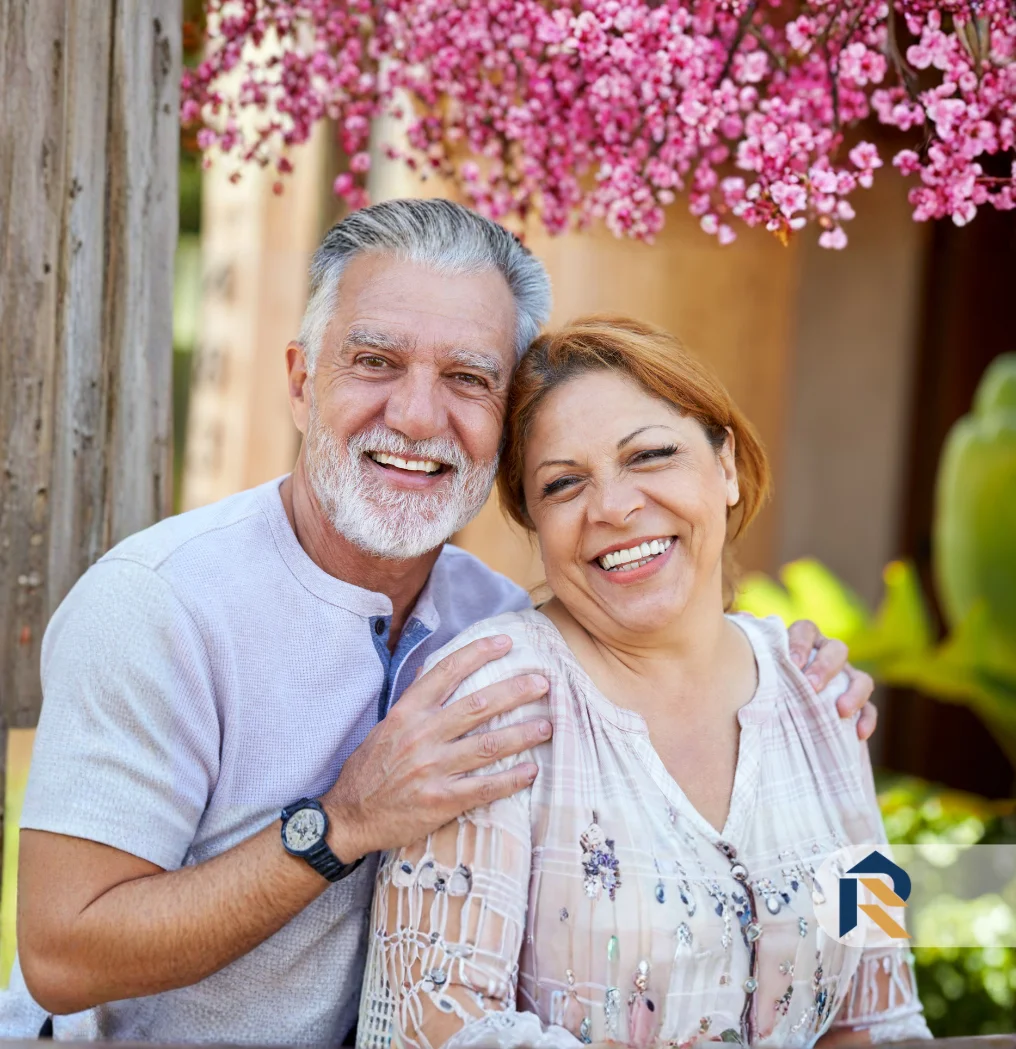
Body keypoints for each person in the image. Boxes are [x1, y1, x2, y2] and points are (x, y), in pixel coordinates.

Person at [10, 201, 873, 1046]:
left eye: (468, 377)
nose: (419, 415)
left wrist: (794, 682)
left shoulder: (495, 622)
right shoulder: (160, 605)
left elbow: (875, 967)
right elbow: (60, 954)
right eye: (376, 360)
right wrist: (342, 820)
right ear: (303, 381)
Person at [358, 317, 930, 1049]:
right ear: (532, 519)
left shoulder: (816, 692)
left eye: (651, 455)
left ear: (724, 466)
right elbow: (435, 1022)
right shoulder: (494, 696)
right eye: (564, 484)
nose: (615, 507)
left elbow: (876, 1006)